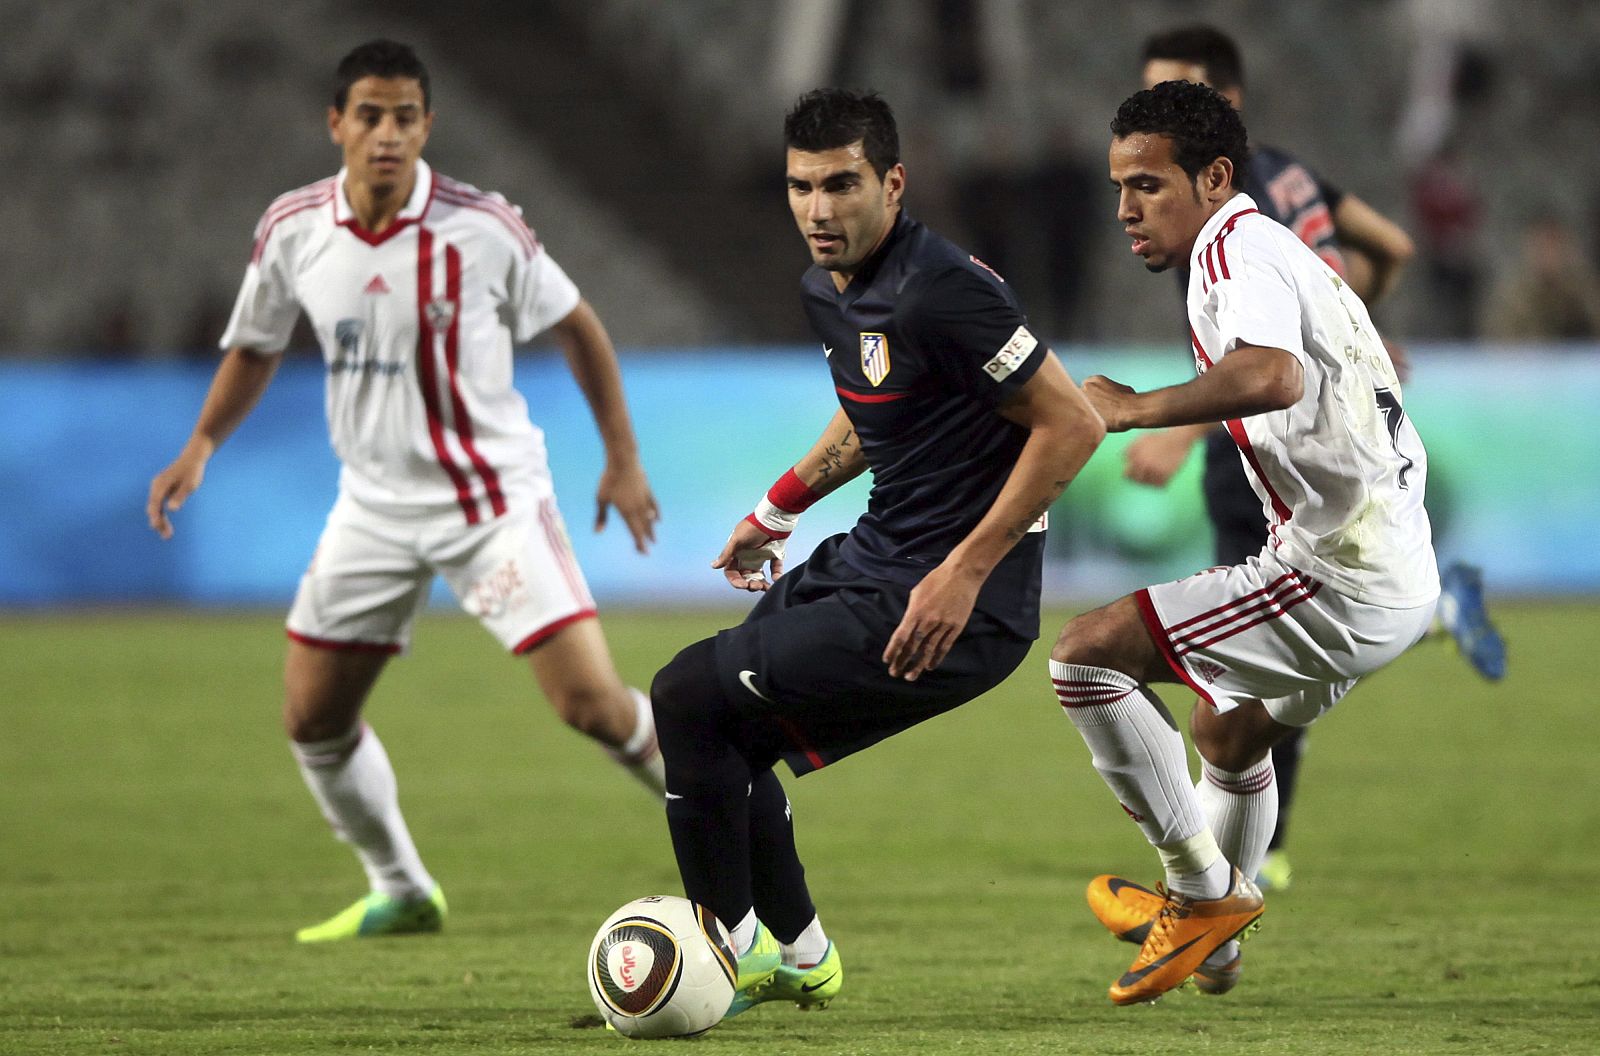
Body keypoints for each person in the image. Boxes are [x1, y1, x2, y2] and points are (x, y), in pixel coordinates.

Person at [145, 40, 664, 943]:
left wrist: (621, 458)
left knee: (592, 705)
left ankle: (737, 808)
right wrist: (200, 444)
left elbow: (577, 326)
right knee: (312, 716)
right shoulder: (294, 229)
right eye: (371, 116)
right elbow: (256, 344)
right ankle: (402, 888)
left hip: (489, 504)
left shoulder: (484, 227)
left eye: (407, 117)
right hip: (373, 509)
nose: (388, 135)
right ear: (336, 123)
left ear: (428, 125)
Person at [649, 88, 1104, 1017]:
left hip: (958, 603)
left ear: (893, 184)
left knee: (685, 695)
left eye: (842, 185)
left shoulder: (948, 288)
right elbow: (871, 413)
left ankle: (720, 956)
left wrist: (964, 572)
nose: (819, 210)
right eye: (800, 187)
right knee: (721, 731)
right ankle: (801, 955)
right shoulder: (830, 289)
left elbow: (1073, 424)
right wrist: (777, 509)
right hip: (874, 559)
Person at [1053, 79, 1440, 1005]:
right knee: (1226, 730)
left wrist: (1138, 410)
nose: (1125, 210)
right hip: (1392, 564)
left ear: (1215, 176)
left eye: (1147, 185)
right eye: (1118, 188)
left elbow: (1268, 374)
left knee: (1083, 659)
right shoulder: (1265, 249)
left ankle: (1203, 893)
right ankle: (1216, 948)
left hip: (1342, 572)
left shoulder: (1232, 251)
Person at [1121, 25, 1505, 893]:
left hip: (1262, 431)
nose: (1156, 117)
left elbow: (1259, 360)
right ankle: (1438, 613)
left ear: (1226, 107)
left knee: (1231, 664)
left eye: (1177, 90)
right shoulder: (1295, 174)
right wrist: (1348, 327)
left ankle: (1224, 860)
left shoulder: (1229, 205)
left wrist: (1173, 426)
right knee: (1253, 677)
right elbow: (1390, 248)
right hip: (1318, 445)